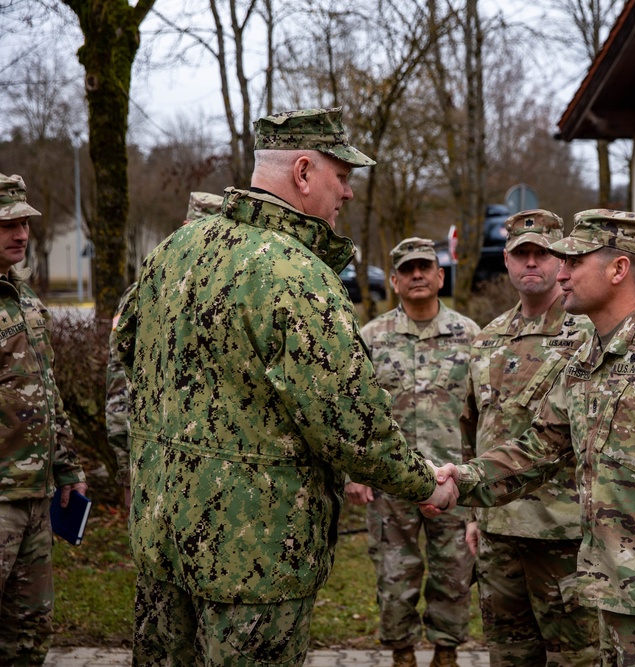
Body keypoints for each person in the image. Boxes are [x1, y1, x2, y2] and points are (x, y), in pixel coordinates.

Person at [114, 109, 458, 667]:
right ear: (303, 171)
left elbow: (126, 352)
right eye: (341, 175)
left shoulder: (173, 252)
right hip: (255, 558)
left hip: (163, 541)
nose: (347, 192)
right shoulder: (295, 274)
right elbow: (352, 424)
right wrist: (426, 484)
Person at [428, 210, 635, 667]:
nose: (559, 273)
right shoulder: (587, 358)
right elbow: (539, 448)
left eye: (574, 262)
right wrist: (459, 481)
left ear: (618, 269)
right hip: (609, 594)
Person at [460, 210, 599, 666]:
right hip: (500, 533)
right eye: (523, 253)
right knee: (508, 656)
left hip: (565, 534)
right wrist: (473, 515)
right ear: (507, 260)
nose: (532, 263)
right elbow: (472, 430)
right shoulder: (487, 339)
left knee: (576, 657)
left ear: (562, 260)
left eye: (543, 253)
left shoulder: (589, 334)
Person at [345, 237, 479, 667]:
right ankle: (401, 653)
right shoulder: (370, 337)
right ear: (395, 282)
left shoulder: (472, 335)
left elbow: (482, 411)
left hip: (453, 479)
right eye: (407, 269)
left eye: (425, 267)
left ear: (441, 277)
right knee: (394, 572)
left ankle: (447, 653)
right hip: (390, 483)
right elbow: (354, 411)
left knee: (454, 573)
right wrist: (354, 471)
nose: (417, 275)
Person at [0, 173, 88, 666]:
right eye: (8, 224)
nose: (21, 234)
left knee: (30, 635)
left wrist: (68, 469)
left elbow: (47, 389)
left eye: (25, 223)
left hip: (34, 495)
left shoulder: (26, 297)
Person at [105, 191, 224, 500]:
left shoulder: (229, 295)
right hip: (154, 464)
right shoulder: (146, 290)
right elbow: (120, 383)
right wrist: (127, 464)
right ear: (185, 226)